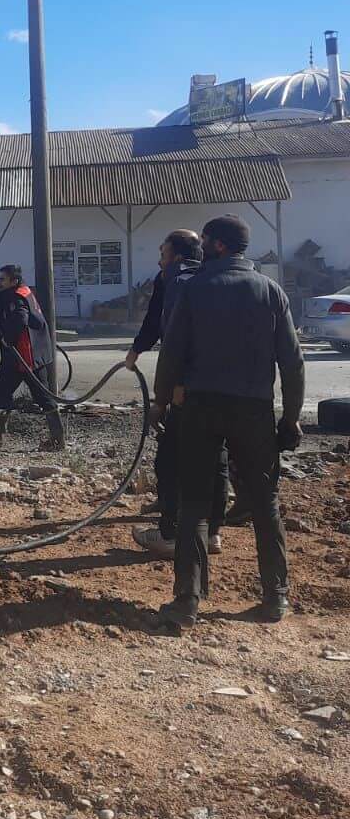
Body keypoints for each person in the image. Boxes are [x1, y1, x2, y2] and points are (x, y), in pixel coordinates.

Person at [153, 214, 304, 627]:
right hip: (253, 410)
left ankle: (187, 602)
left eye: (204, 241)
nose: (200, 248)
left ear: (218, 245)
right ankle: (275, 599)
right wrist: (290, 420)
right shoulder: (271, 291)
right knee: (265, 504)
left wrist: (160, 404)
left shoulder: (195, 287)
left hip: (201, 408)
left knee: (194, 505)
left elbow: (172, 354)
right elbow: (292, 363)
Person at [125, 230, 228, 558]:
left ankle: (169, 533)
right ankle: (212, 532)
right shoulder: (220, 277)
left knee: (169, 459)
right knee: (216, 457)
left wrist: (166, 393)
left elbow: (169, 333)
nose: (159, 258)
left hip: (188, 388)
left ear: (178, 256)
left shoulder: (175, 281)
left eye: (163, 251)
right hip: (226, 389)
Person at [0, 263, 65, 451]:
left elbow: (19, 320)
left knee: (2, 393)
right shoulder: (22, 292)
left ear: (13, 281)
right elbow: (0, 310)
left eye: (2, 280)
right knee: (43, 398)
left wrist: (6, 334)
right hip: (32, 357)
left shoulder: (16, 298)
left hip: (23, 358)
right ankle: (57, 441)